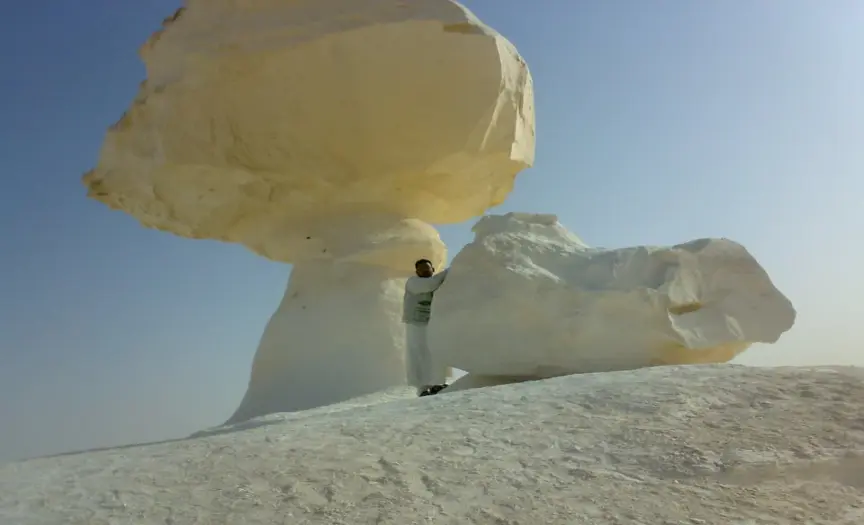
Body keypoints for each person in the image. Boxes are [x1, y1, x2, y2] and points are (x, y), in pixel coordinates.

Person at [403, 258, 450, 397]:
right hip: (416, 324)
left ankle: (438, 383)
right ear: (416, 271)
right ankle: (423, 388)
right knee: (419, 354)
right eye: (422, 269)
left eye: (427, 268)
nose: (425, 271)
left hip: (432, 323)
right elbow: (429, 285)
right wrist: (449, 271)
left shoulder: (438, 283)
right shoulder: (413, 282)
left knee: (436, 353)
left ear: (433, 269)